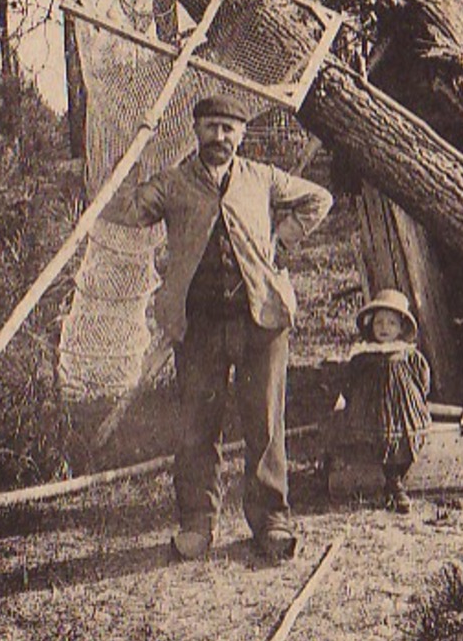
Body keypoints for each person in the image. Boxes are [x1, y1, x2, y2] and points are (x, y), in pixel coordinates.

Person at [109, 94, 332, 562]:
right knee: (196, 427)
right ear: (196, 131)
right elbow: (127, 208)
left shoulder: (262, 178)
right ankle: (196, 524)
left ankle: (271, 521)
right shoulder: (173, 184)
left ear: (242, 134)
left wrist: (279, 240)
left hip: (262, 319)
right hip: (199, 325)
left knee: (265, 424)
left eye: (229, 129)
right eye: (211, 127)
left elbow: (319, 199)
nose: (220, 137)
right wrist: (128, 156)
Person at [329, 289, 433, 514]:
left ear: (401, 327)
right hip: (372, 410)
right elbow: (350, 379)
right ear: (370, 325)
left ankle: (396, 483)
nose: (385, 328)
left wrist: (418, 398)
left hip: (402, 409)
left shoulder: (407, 354)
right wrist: (345, 399)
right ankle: (389, 482)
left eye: (391, 323)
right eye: (379, 323)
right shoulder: (364, 355)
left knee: (406, 437)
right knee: (374, 438)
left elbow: (423, 378)